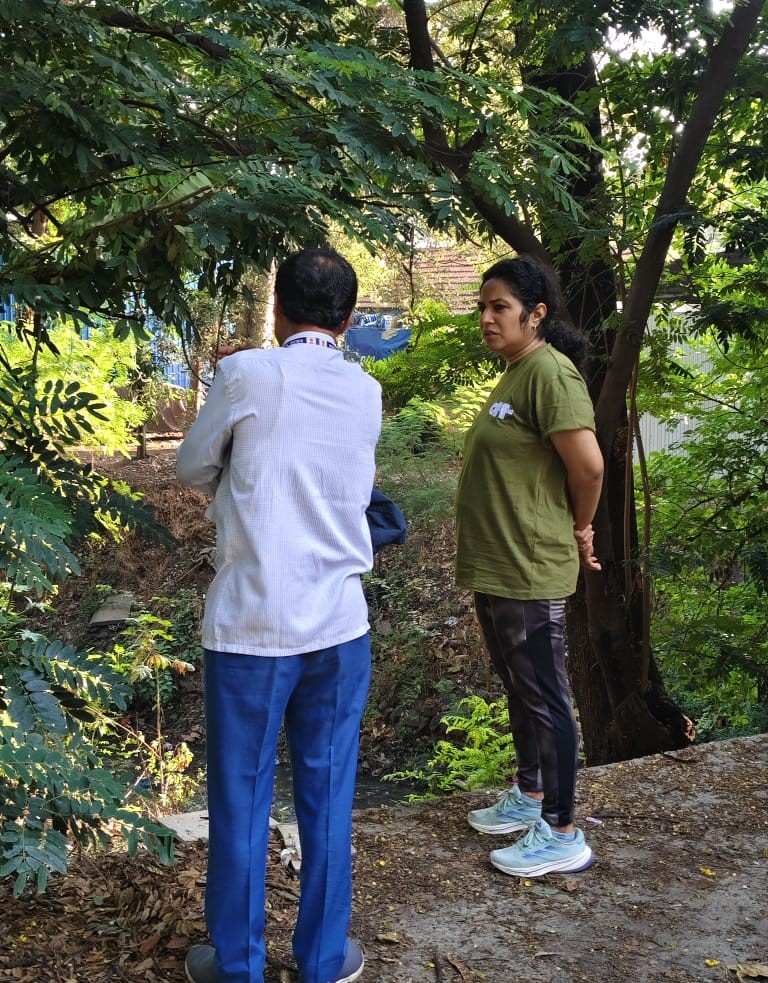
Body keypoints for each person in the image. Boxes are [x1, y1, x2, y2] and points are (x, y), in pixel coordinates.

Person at [176, 247, 381, 983]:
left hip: (253, 626)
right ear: (349, 321)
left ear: (276, 309)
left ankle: (238, 965)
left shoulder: (246, 374)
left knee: (240, 795)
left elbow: (191, 466)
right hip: (339, 626)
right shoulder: (367, 389)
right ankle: (323, 959)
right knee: (327, 795)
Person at [456, 255, 604, 878]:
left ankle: (563, 830)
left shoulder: (549, 373)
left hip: (529, 565)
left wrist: (579, 527)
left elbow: (589, 467)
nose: (487, 318)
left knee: (546, 696)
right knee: (521, 689)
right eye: (483, 307)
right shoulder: (516, 370)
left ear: (535, 315)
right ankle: (532, 794)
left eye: (500, 308)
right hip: (497, 563)